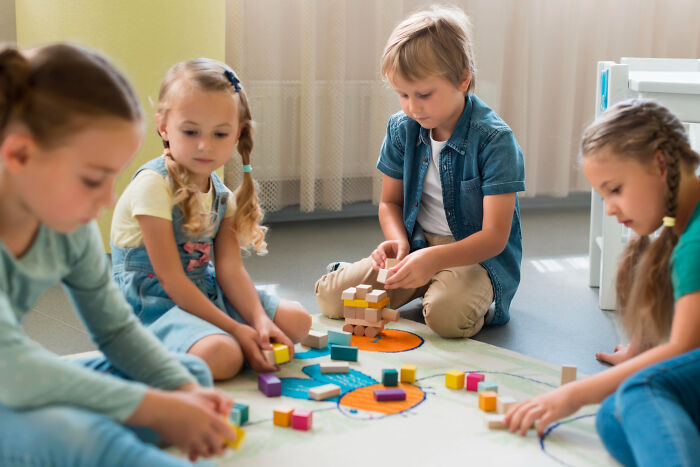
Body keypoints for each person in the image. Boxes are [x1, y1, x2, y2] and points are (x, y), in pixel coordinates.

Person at [0, 43, 236, 466]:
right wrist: (149, 408)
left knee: (190, 377)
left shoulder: (70, 229)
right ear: (19, 155)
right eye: (93, 179)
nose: (109, 199)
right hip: (7, 376)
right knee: (81, 436)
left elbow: (115, 331)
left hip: (11, 382)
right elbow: (11, 368)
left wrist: (181, 397)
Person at [505, 99, 700, 466]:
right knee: (613, 416)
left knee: (640, 389)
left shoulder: (695, 243)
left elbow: (683, 348)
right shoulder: (682, 224)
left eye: (615, 190)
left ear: (660, 164)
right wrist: (642, 349)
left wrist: (573, 395)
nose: (609, 209)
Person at [315, 5, 525, 338]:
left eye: (424, 95)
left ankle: (455, 292)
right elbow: (390, 203)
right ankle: (420, 283)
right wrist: (398, 243)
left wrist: (434, 260)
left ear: (462, 79)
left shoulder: (494, 140)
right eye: (403, 95)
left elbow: (494, 237)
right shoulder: (403, 128)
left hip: (472, 256)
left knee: (445, 318)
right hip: (416, 246)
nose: (413, 107)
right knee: (329, 299)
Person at [110, 58, 311, 380]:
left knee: (297, 321)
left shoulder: (221, 195)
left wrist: (259, 322)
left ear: (237, 135)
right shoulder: (153, 185)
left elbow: (231, 270)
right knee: (224, 356)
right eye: (190, 131)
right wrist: (235, 329)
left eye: (220, 133)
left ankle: (218, 338)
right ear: (163, 126)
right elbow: (171, 280)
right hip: (154, 303)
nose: (205, 145)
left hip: (204, 290)